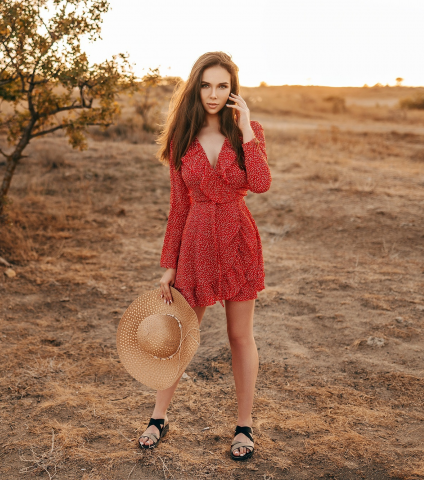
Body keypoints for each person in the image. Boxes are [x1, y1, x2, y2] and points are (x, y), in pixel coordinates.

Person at [137, 52, 271, 461]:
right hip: (195, 242)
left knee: (238, 336)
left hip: (238, 241)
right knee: (181, 337)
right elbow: (179, 206)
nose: (214, 94)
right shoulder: (182, 138)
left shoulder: (247, 132)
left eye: (223, 86)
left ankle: (244, 425)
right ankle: (158, 417)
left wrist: (247, 130)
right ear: (196, 87)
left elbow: (261, 184)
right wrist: (169, 264)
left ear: (234, 90)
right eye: (207, 85)